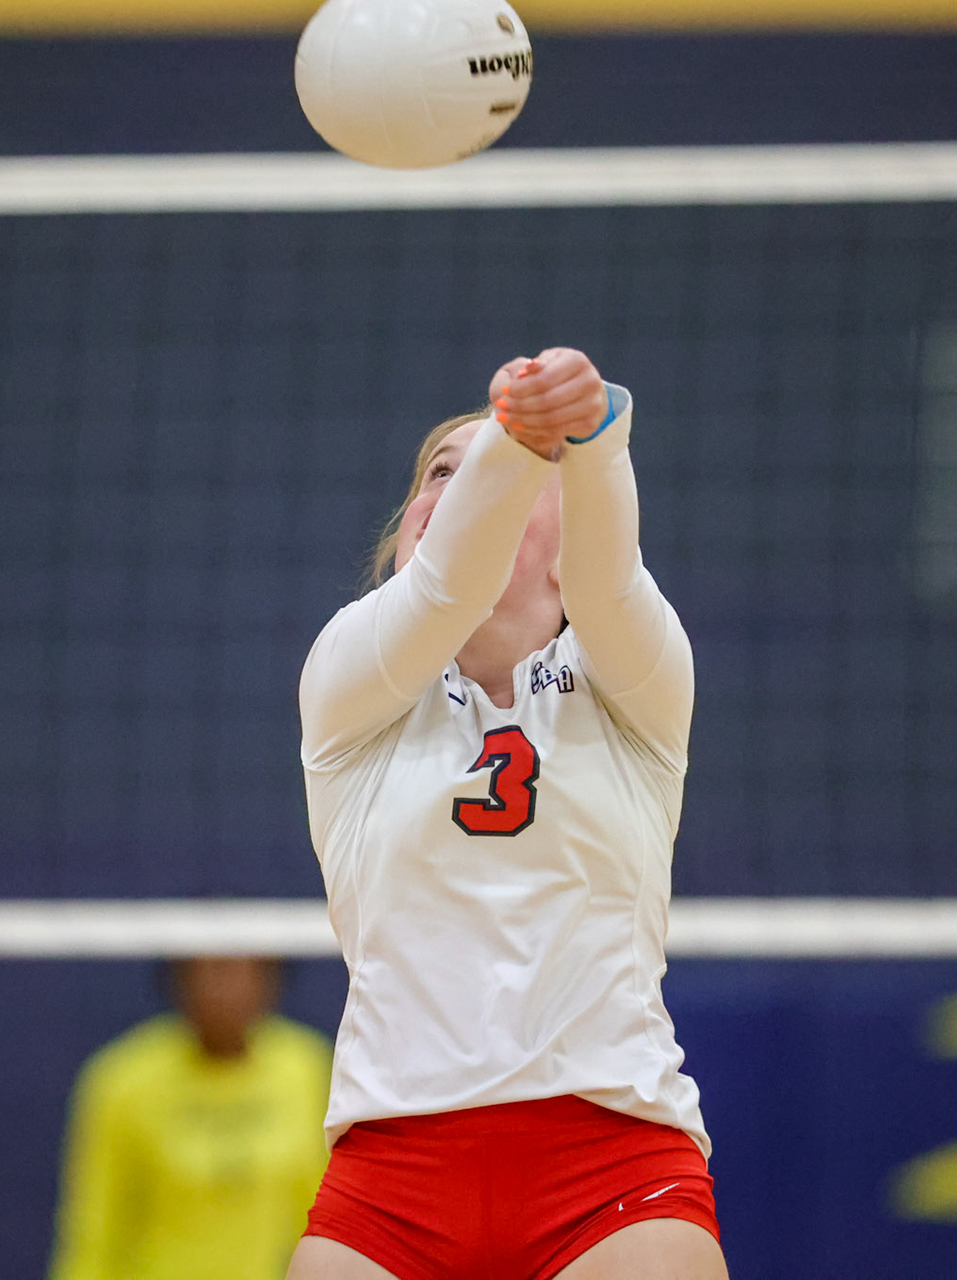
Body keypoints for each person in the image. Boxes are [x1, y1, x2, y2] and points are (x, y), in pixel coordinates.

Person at [289, 349, 729, 1280]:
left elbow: (610, 586)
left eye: (498, 469)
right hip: (390, 1187)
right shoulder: (346, 682)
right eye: (436, 474)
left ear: (574, 542)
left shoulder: (639, 685)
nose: (455, 489)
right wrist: (531, 437)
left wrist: (596, 439)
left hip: (612, 1174)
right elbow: (448, 584)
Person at [52, 954, 332, 1280]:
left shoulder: (309, 1069)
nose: (222, 988)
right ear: (180, 977)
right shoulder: (122, 1080)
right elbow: (93, 1235)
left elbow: (326, 1219)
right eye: (208, 969)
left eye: (237, 968)